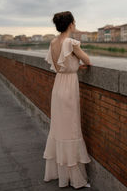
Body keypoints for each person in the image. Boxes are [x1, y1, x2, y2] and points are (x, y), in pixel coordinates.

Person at [43, 11, 92, 189]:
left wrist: (73, 65)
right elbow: (87, 60)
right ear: (71, 24)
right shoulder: (70, 42)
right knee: (71, 129)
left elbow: (58, 66)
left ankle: (62, 174)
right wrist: (80, 64)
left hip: (58, 87)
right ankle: (76, 178)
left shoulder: (53, 42)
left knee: (59, 129)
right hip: (69, 87)